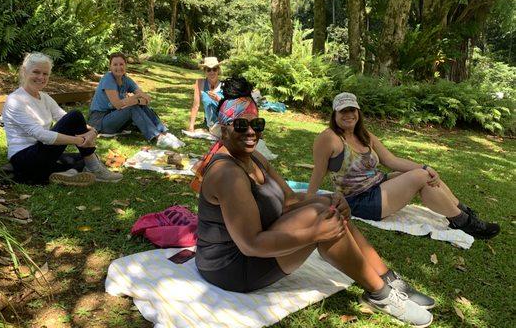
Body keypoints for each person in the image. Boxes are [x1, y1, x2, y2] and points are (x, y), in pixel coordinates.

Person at [195, 77, 435, 328]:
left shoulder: (253, 157)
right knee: (325, 222)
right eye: (241, 125)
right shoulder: (228, 174)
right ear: (223, 130)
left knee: (327, 209)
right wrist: (314, 233)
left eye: (257, 123)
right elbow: (250, 244)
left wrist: (329, 197)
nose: (251, 131)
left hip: (252, 247)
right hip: (232, 268)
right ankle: (380, 293)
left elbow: (289, 199)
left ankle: (387, 278)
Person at [307, 92, 500, 240]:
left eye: (352, 110)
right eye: (343, 111)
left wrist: (425, 166)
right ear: (335, 114)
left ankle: (462, 211)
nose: (349, 115)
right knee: (420, 177)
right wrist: (307, 202)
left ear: (358, 112)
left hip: (378, 185)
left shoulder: (364, 135)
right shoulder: (328, 138)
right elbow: (318, 171)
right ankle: (465, 222)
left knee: (424, 175)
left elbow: (391, 161)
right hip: (360, 201)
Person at [2, 52, 123, 186]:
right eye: (36, 72)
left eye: (45, 74)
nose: (41, 77)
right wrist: (80, 140)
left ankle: (67, 174)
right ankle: (91, 169)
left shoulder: (44, 97)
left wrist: (92, 132)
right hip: (24, 160)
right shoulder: (15, 100)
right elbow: (41, 135)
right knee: (76, 115)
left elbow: (66, 119)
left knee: (84, 157)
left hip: (41, 155)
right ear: (24, 71)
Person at [88, 52, 184, 149]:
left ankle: (164, 133)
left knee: (138, 105)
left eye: (121, 64)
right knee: (132, 108)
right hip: (100, 122)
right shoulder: (108, 78)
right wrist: (135, 98)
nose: (118, 67)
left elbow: (146, 98)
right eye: (115, 64)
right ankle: (158, 137)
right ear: (110, 67)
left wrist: (137, 101)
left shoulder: (126, 80)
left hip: (116, 119)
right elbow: (117, 105)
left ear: (125, 65)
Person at [187, 56, 223, 132]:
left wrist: (219, 99)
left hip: (223, 122)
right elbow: (195, 105)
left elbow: (229, 106)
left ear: (218, 70)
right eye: (209, 70)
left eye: (214, 69)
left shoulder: (224, 85)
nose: (212, 72)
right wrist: (191, 126)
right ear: (205, 71)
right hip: (209, 123)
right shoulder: (200, 83)